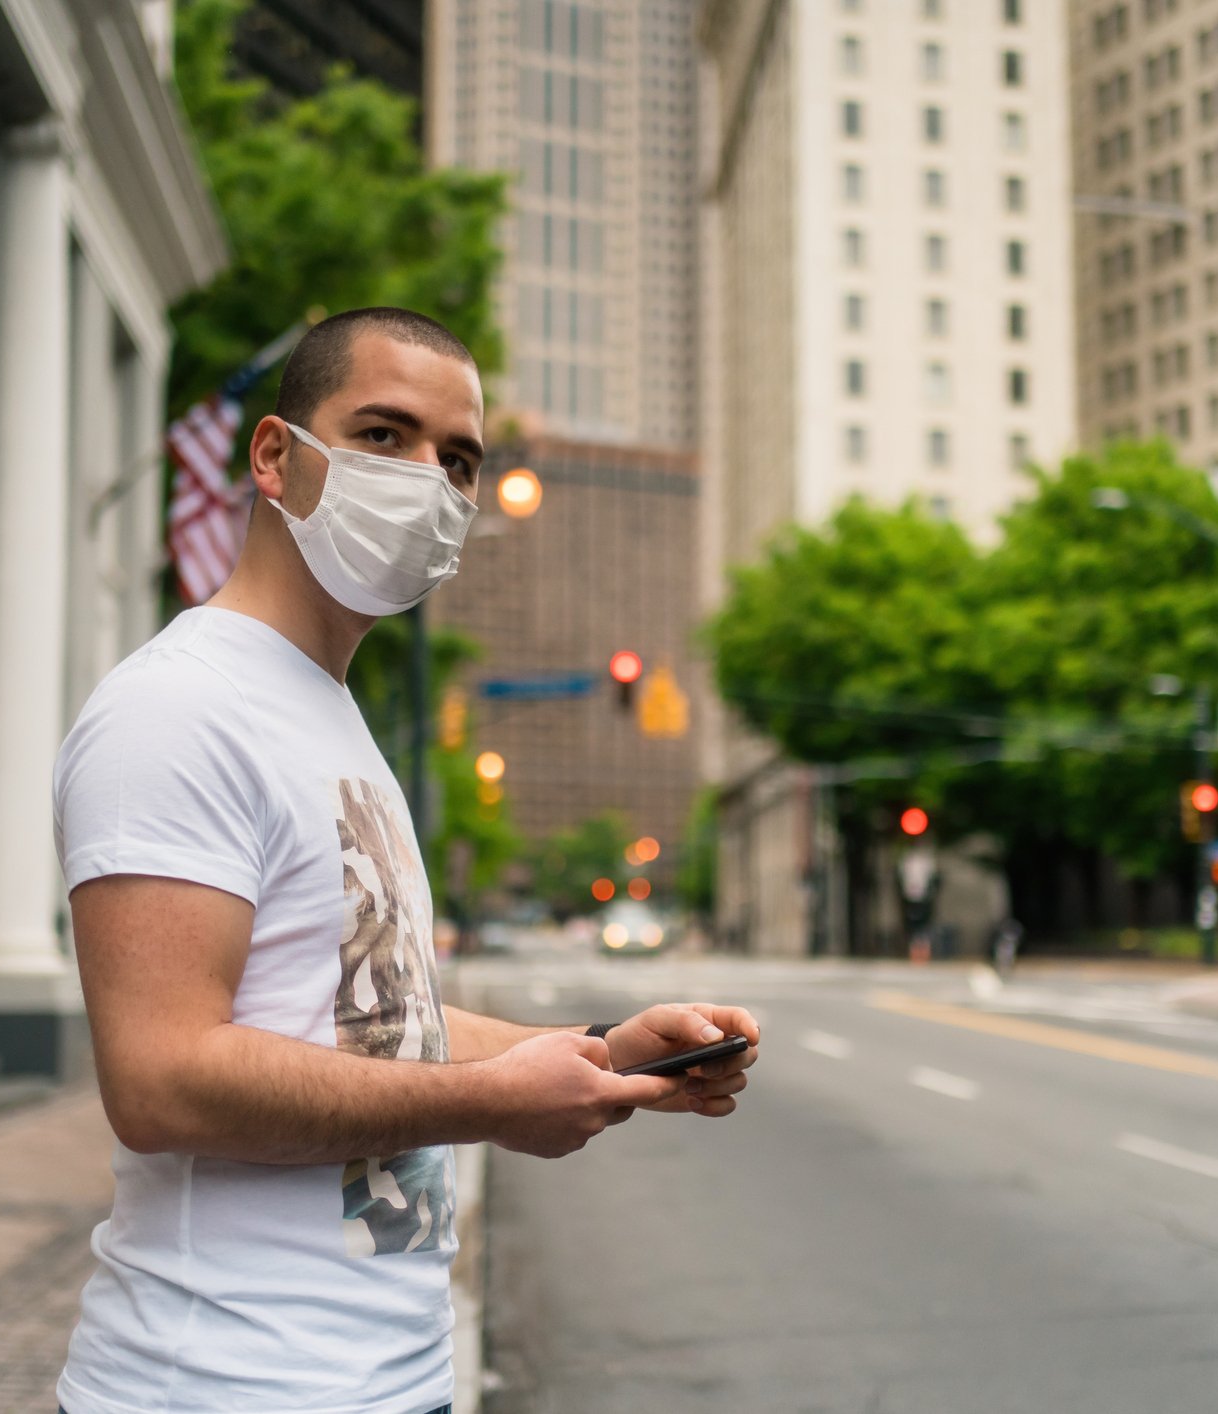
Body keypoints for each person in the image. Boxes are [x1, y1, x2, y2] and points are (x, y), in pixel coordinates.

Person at [51, 308, 761, 1414]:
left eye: (460, 458)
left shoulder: (333, 717)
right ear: (275, 456)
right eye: (384, 435)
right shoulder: (178, 706)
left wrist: (595, 1050)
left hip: (391, 1380)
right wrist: (487, 1103)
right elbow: (157, 1079)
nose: (429, 479)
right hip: (223, 1388)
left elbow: (377, 1014)